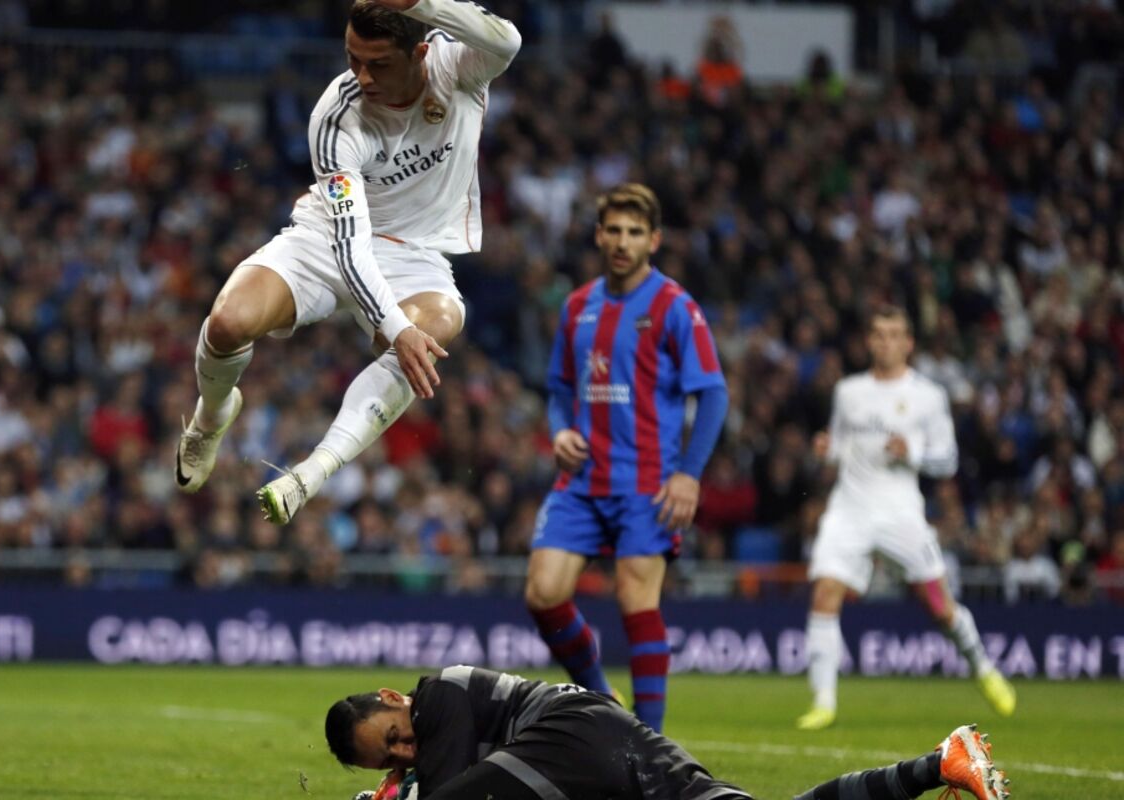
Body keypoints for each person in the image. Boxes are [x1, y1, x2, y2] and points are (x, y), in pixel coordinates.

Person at [174, 0, 521, 525]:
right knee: (227, 322)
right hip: (329, 238)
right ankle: (211, 417)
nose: (362, 76)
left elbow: (507, 40)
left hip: (413, 253)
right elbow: (350, 244)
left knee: (440, 324)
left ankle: (311, 474)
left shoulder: (459, 68)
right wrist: (395, 325)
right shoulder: (336, 116)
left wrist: (423, 5)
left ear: (419, 53)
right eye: (353, 59)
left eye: (378, 64)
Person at [524, 183, 729, 733]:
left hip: (647, 481)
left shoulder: (674, 307)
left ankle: (649, 741)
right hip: (582, 479)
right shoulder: (577, 306)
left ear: (653, 240)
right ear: (598, 235)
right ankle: (600, 696)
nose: (622, 242)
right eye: (613, 230)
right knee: (542, 593)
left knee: (637, 599)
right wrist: (560, 432)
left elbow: (712, 393)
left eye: (634, 232)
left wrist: (689, 476)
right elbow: (559, 388)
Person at [797, 306, 1016, 731]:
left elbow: (947, 460)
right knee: (824, 593)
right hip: (849, 509)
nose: (886, 343)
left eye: (894, 335)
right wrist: (825, 451)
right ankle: (823, 703)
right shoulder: (848, 391)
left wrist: (911, 451)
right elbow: (839, 448)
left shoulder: (928, 396)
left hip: (901, 513)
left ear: (909, 343)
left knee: (940, 608)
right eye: (878, 334)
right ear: (869, 341)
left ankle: (983, 667)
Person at [325, 665, 1012, 800]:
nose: (406, 749)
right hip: (612, 743)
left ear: (392, 698)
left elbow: (449, 785)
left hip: (570, 733)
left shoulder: (439, 693)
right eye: (391, 761)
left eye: (394, 736)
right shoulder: (442, 745)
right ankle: (939, 764)